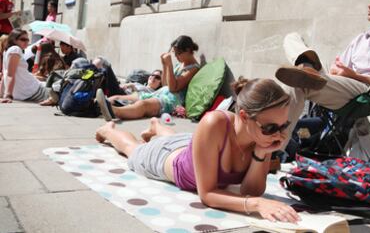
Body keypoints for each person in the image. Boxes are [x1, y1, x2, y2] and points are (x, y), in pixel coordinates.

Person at [95, 77, 300, 223]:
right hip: (168, 158)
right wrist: (257, 205)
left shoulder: (259, 138)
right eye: (271, 127)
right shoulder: (214, 123)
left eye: (283, 126)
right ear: (245, 116)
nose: (278, 134)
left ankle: (156, 126)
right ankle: (109, 130)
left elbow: (250, 191)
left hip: (194, 146)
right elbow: (208, 194)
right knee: (133, 149)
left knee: (177, 140)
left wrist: (262, 153)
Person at [274, 0, 370, 141]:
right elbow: (338, 67)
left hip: (369, 93)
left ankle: (274, 149)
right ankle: (307, 66)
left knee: (298, 83)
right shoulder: (361, 39)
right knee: (292, 38)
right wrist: (338, 71)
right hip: (343, 84)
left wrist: (355, 75)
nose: (369, 5)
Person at [96, 35, 200, 121]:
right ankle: (96, 106)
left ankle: (113, 111)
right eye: (175, 54)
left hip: (171, 101)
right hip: (162, 92)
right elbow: (165, 84)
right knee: (117, 98)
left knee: (143, 105)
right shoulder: (180, 64)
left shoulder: (193, 68)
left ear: (188, 50)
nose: (176, 57)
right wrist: (164, 65)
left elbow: (173, 88)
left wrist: (169, 65)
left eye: (179, 54)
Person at [0, 29, 55, 103]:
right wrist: (7, 95)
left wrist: (2, 93)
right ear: (14, 40)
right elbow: (10, 75)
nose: (26, 42)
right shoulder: (15, 49)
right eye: (23, 39)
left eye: (27, 40)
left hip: (29, 90)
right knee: (61, 91)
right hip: (32, 91)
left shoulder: (6, 51)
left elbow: (5, 74)